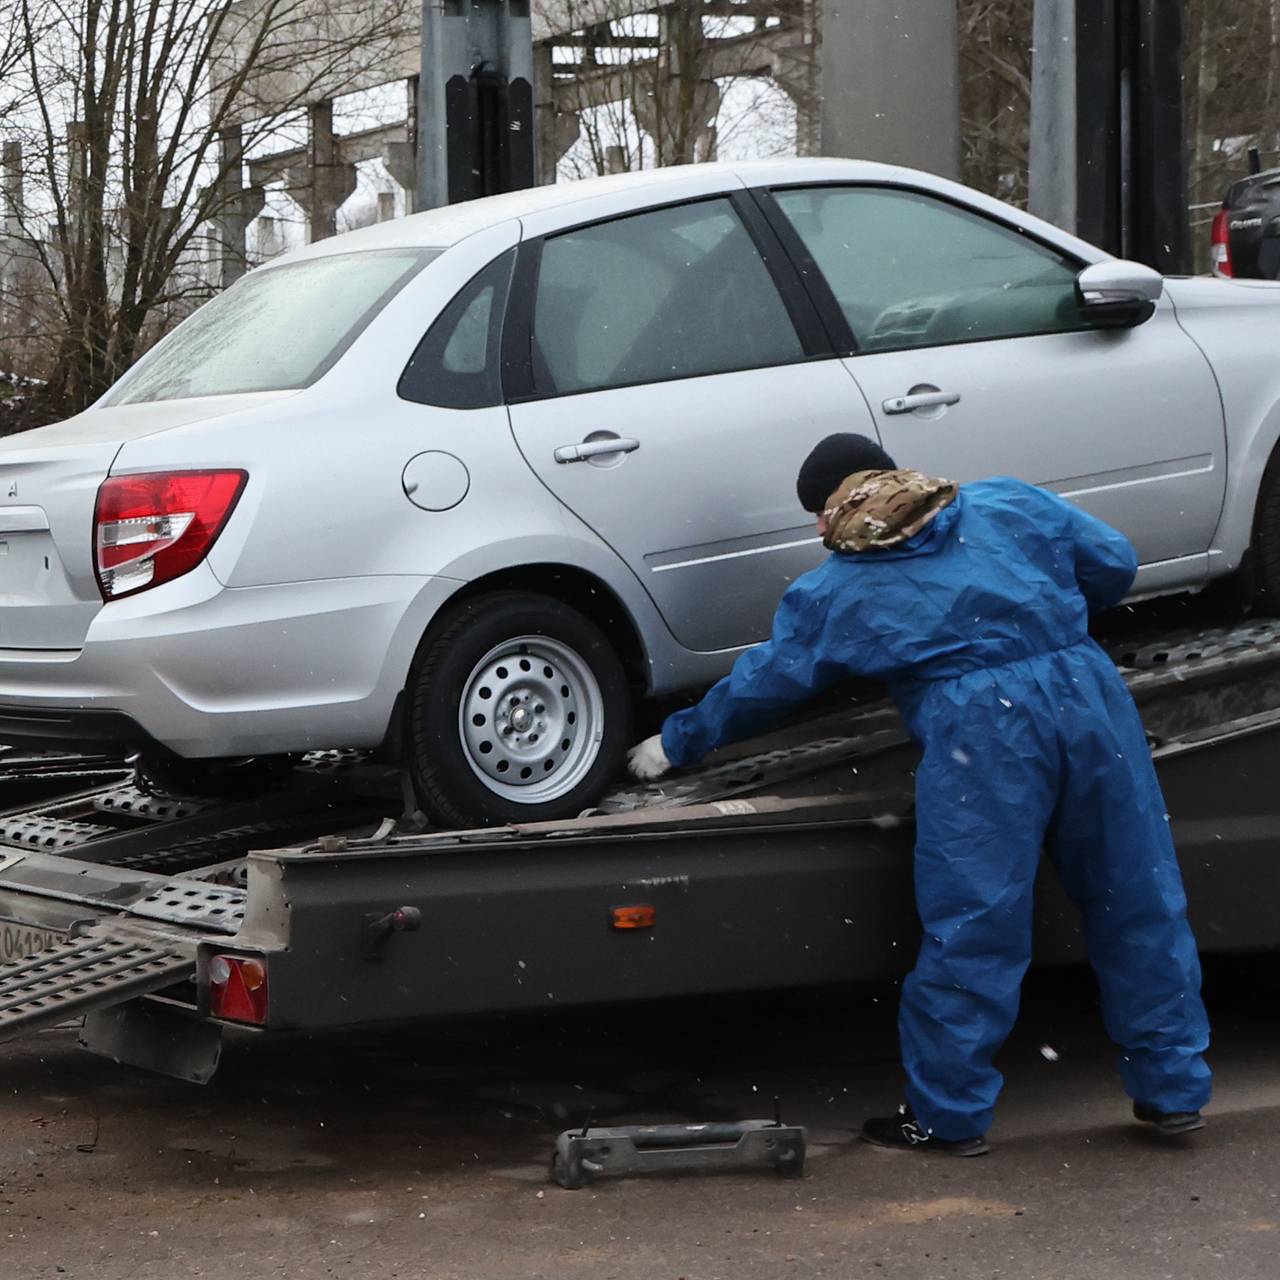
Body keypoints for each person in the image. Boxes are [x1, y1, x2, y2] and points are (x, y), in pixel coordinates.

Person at [627, 433, 1211, 1156]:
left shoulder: (842, 586)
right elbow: (1115, 563)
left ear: (828, 512)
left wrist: (675, 741)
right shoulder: (1006, 500)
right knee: (1137, 898)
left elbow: (767, 684)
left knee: (976, 923)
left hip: (984, 736)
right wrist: (1041, 621)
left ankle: (948, 1117)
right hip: (1089, 699)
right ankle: (1173, 1090)